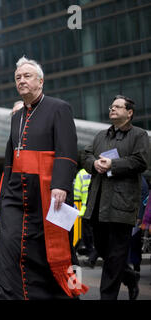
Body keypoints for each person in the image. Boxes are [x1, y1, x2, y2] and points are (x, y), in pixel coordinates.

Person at [0, 56, 88, 300]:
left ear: (40, 81)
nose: (22, 80)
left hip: (46, 192)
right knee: (9, 244)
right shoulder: (17, 115)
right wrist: (4, 190)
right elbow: (10, 157)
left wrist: (61, 184)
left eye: (27, 76)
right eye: (18, 77)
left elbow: (67, 149)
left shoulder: (59, 108)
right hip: (15, 193)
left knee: (51, 250)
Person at [83, 95, 150, 300]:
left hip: (121, 205)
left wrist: (114, 164)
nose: (112, 109)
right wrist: (93, 163)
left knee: (115, 255)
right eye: (111, 106)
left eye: (118, 107)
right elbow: (85, 155)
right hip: (97, 203)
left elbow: (141, 161)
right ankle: (130, 277)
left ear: (129, 113)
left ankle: (108, 297)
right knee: (103, 249)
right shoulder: (100, 136)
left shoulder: (139, 135)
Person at [74, 168, 99, 268]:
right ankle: (92, 255)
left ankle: (91, 253)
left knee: (86, 233)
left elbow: (77, 194)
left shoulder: (81, 173)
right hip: (97, 210)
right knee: (96, 234)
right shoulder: (99, 171)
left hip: (85, 209)